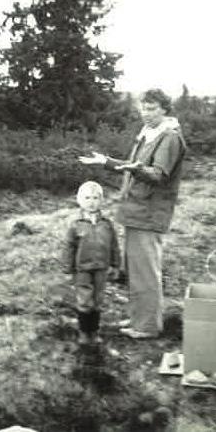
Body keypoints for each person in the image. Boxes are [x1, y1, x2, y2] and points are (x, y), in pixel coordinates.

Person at [79, 89, 186, 339]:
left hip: (149, 213)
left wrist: (137, 170)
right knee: (136, 270)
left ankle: (147, 326)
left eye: (151, 108)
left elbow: (158, 175)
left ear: (164, 109)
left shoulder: (169, 137)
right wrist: (105, 161)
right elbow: (132, 167)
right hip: (136, 210)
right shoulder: (148, 134)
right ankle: (140, 317)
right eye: (143, 108)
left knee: (146, 272)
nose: (145, 113)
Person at [63, 180, 121, 345]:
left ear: (101, 200)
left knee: (98, 300)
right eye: (87, 198)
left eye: (95, 198)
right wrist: (68, 269)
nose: (91, 201)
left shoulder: (107, 224)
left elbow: (114, 246)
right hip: (82, 270)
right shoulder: (75, 224)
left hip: (101, 268)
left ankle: (94, 332)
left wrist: (116, 265)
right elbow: (68, 247)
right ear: (80, 201)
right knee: (85, 301)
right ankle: (84, 332)